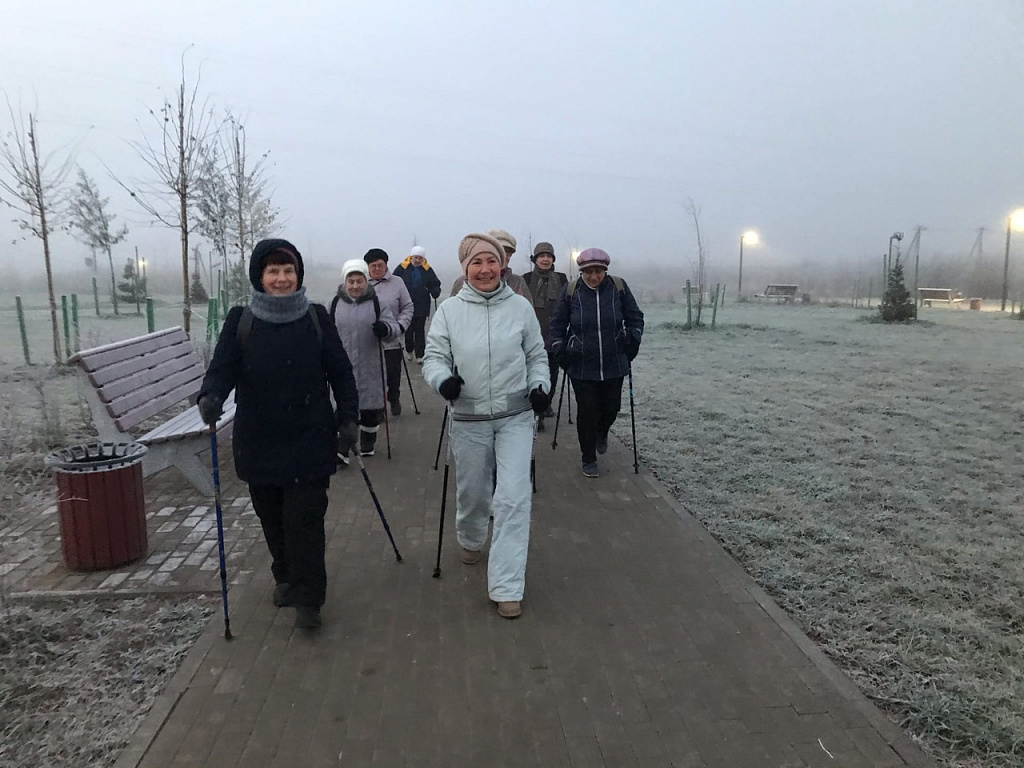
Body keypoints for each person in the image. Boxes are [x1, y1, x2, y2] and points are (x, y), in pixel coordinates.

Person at [197, 238, 359, 630]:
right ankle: (285, 574)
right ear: (260, 276)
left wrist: (349, 417)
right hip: (259, 439)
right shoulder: (241, 320)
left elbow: (340, 372)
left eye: (289, 271)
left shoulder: (316, 317)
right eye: (274, 271)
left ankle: (308, 597)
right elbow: (222, 368)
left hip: (310, 437)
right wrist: (210, 396)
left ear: (298, 275)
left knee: (305, 521)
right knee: (271, 517)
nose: (282, 278)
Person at [423, 232, 550, 620]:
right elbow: (434, 357)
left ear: (502, 265)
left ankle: (507, 586)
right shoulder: (449, 311)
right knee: (475, 494)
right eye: (476, 262)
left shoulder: (520, 307)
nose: (485, 269)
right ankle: (471, 535)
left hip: (516, 417)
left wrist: (540, 386)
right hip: (469, 418)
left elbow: (536, 355)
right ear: (466, 268)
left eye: (491, 261)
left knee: (513, 498)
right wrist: (443, 381)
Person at [548, 247, 644, 479]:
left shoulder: (618, 287)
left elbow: (635, 317)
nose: (594, 276)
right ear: (581, 271)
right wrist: (560, 348)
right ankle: (588, 457)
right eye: (588, 272)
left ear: (605, 270)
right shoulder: (571, 291)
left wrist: (634, 338)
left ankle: (602, 432)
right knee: (587, 412)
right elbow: (557, 324)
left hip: (614, 361)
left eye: (598, 271)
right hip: (581, 364)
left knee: (611, 408)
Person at [331, 259, 402, 458]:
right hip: (343, 367)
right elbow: (325, 332)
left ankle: (367, 443)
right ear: (345, 282)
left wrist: (385, 329)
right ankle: (342, 449)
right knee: (343, 407)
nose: (355, 286)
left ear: (366, 281)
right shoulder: (334, 304)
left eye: (359, 281)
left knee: (370, 410)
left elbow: (394, 328)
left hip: (371, 365)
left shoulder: (378, 304)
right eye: (351, 281)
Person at [521, 241, 568, 432]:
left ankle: (545, 403)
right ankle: (535, 412)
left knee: (552, 374)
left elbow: (567, 304)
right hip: (531, 335)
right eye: (542, 256)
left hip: (554, 335)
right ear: (535, 259)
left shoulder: (562, 279)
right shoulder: (525, 279)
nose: (545, 259)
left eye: (549, 256)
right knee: (531, 374)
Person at [364, 248, 413, 415]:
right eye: (373, 266)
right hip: (369, 341)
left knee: (393, 374)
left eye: (380, 265)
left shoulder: (397, 282)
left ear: (386, 265)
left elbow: (407, 307)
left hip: (392, 339)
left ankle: (394, 397)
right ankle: (378, 405)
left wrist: (400, 326)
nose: (377, 269)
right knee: (374, 377)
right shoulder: (362, 284)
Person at [449, 229, 533, 301]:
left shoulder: (518, 282)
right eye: (501, 251)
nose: (505, 257)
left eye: (509, 253)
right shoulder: (462, 282)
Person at [392, 246, 442, 365]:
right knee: (408, 329)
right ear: (411, 257)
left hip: (422, 304)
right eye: (416, 258)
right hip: (405, 304)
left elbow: (434, 283)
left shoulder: (427, 269)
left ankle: (420, 355)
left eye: (420, 258)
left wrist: (435, 291)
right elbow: (394, 282)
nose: (418, 260)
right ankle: (409, 350)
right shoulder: (402, 268)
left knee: (419, 330)